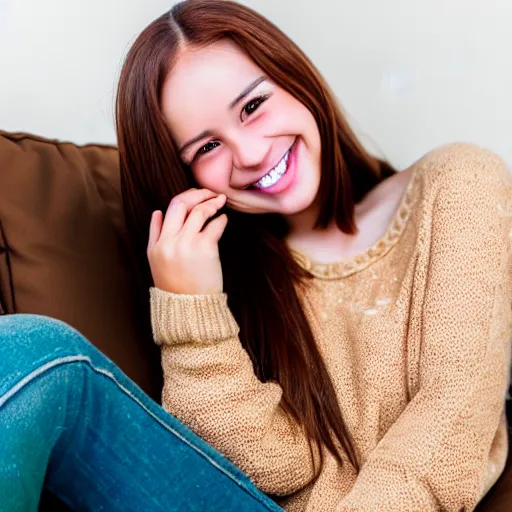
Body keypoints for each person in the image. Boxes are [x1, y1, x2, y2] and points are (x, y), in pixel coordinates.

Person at [0, 1, 510, 512]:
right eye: (206, 148)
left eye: (252, 107)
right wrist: (192, 319)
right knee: (30, 351)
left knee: (42, 355)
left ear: (295, 79)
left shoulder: (459, 186)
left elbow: (449, 427)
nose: (247, 153)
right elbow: (277, 471)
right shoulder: (229, 278)